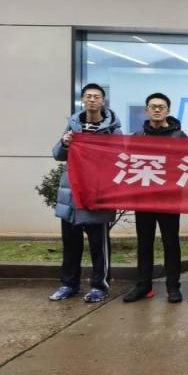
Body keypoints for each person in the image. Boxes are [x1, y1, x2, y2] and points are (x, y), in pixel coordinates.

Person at [48, 83, 122, 303]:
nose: (92, 100)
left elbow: (119, 156)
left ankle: (100, 286)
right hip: (71, 196)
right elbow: (57, 155)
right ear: (82, 100)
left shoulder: (112, 130)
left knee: (99, 246)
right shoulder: (73, 127)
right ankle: (69, 284)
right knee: (71, 245)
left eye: (96, 96)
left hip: (97, 195)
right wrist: (65, 143)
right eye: (88, 96)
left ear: (103, 101)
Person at [122, 93, 188, 304]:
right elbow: (128, 164)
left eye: (161, 107)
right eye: (153, 106)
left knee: (171, 243)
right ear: (146, 110)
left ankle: (173, 286)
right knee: (144, 243)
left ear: (168, 111)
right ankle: (143, 285)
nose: (157, 110)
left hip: (169, 200)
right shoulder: (137, 136)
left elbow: (186, 165)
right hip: (144, 199)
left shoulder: (179, 136)